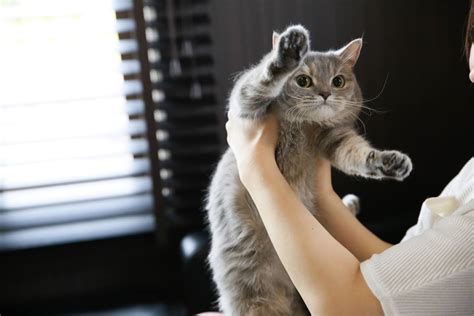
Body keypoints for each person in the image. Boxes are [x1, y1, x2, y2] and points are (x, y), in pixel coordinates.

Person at [201, 6, 473, 316]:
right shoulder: (470, 173)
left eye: (338, 82)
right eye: (304, 81)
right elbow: (244, 103)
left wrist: (368, 160)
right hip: (252, 262)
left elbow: (342, 145)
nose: (324, 93)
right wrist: (277, 68)